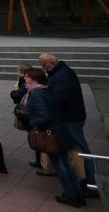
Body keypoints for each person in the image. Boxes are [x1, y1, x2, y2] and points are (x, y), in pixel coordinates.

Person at [24, 67, 86, 207]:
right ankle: (78, 194)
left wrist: (32, 122)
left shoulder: (36, 94)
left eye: (27, 77)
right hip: (60, 130)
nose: (25, 78)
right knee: (66, 163)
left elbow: (44, 116)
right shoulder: (48, 90)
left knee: (60, 165)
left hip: (51, 134)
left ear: (34, 79)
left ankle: (70, 195)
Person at [40, 52, 97, 196]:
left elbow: (59, 99)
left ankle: (91, 182)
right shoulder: (63, 72)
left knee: (80, 148)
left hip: (70, 118)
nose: (43, 68)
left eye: (44, 65)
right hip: (72, 116)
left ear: (51, 63)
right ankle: (84, 179)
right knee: (76, 148)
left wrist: (47, 103)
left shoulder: (61, 77)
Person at [10, 62, 43, 170]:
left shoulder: (34, 89)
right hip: (36, 118)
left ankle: (43, 162)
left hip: (36, 119)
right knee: (37, 138)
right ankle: (41, 161)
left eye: (27, 77)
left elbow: (19, 94)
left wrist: (13, 93)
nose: (25, 79)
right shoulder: (36, 87)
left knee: (38, 139)